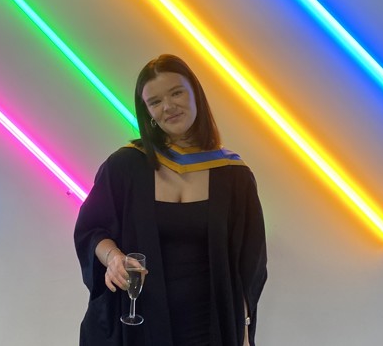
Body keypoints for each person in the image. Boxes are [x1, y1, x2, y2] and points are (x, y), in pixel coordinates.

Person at [74, 54, 267, 346]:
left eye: (176, 93)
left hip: (208, 327)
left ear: (195, 94)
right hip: (139, 324)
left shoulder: (233, 177)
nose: (168, 106)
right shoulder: (125, 166)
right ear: (148, 112)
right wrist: (113, 259)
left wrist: (241, 333)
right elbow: (91, 230)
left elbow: (249, 267)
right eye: (155, 101)